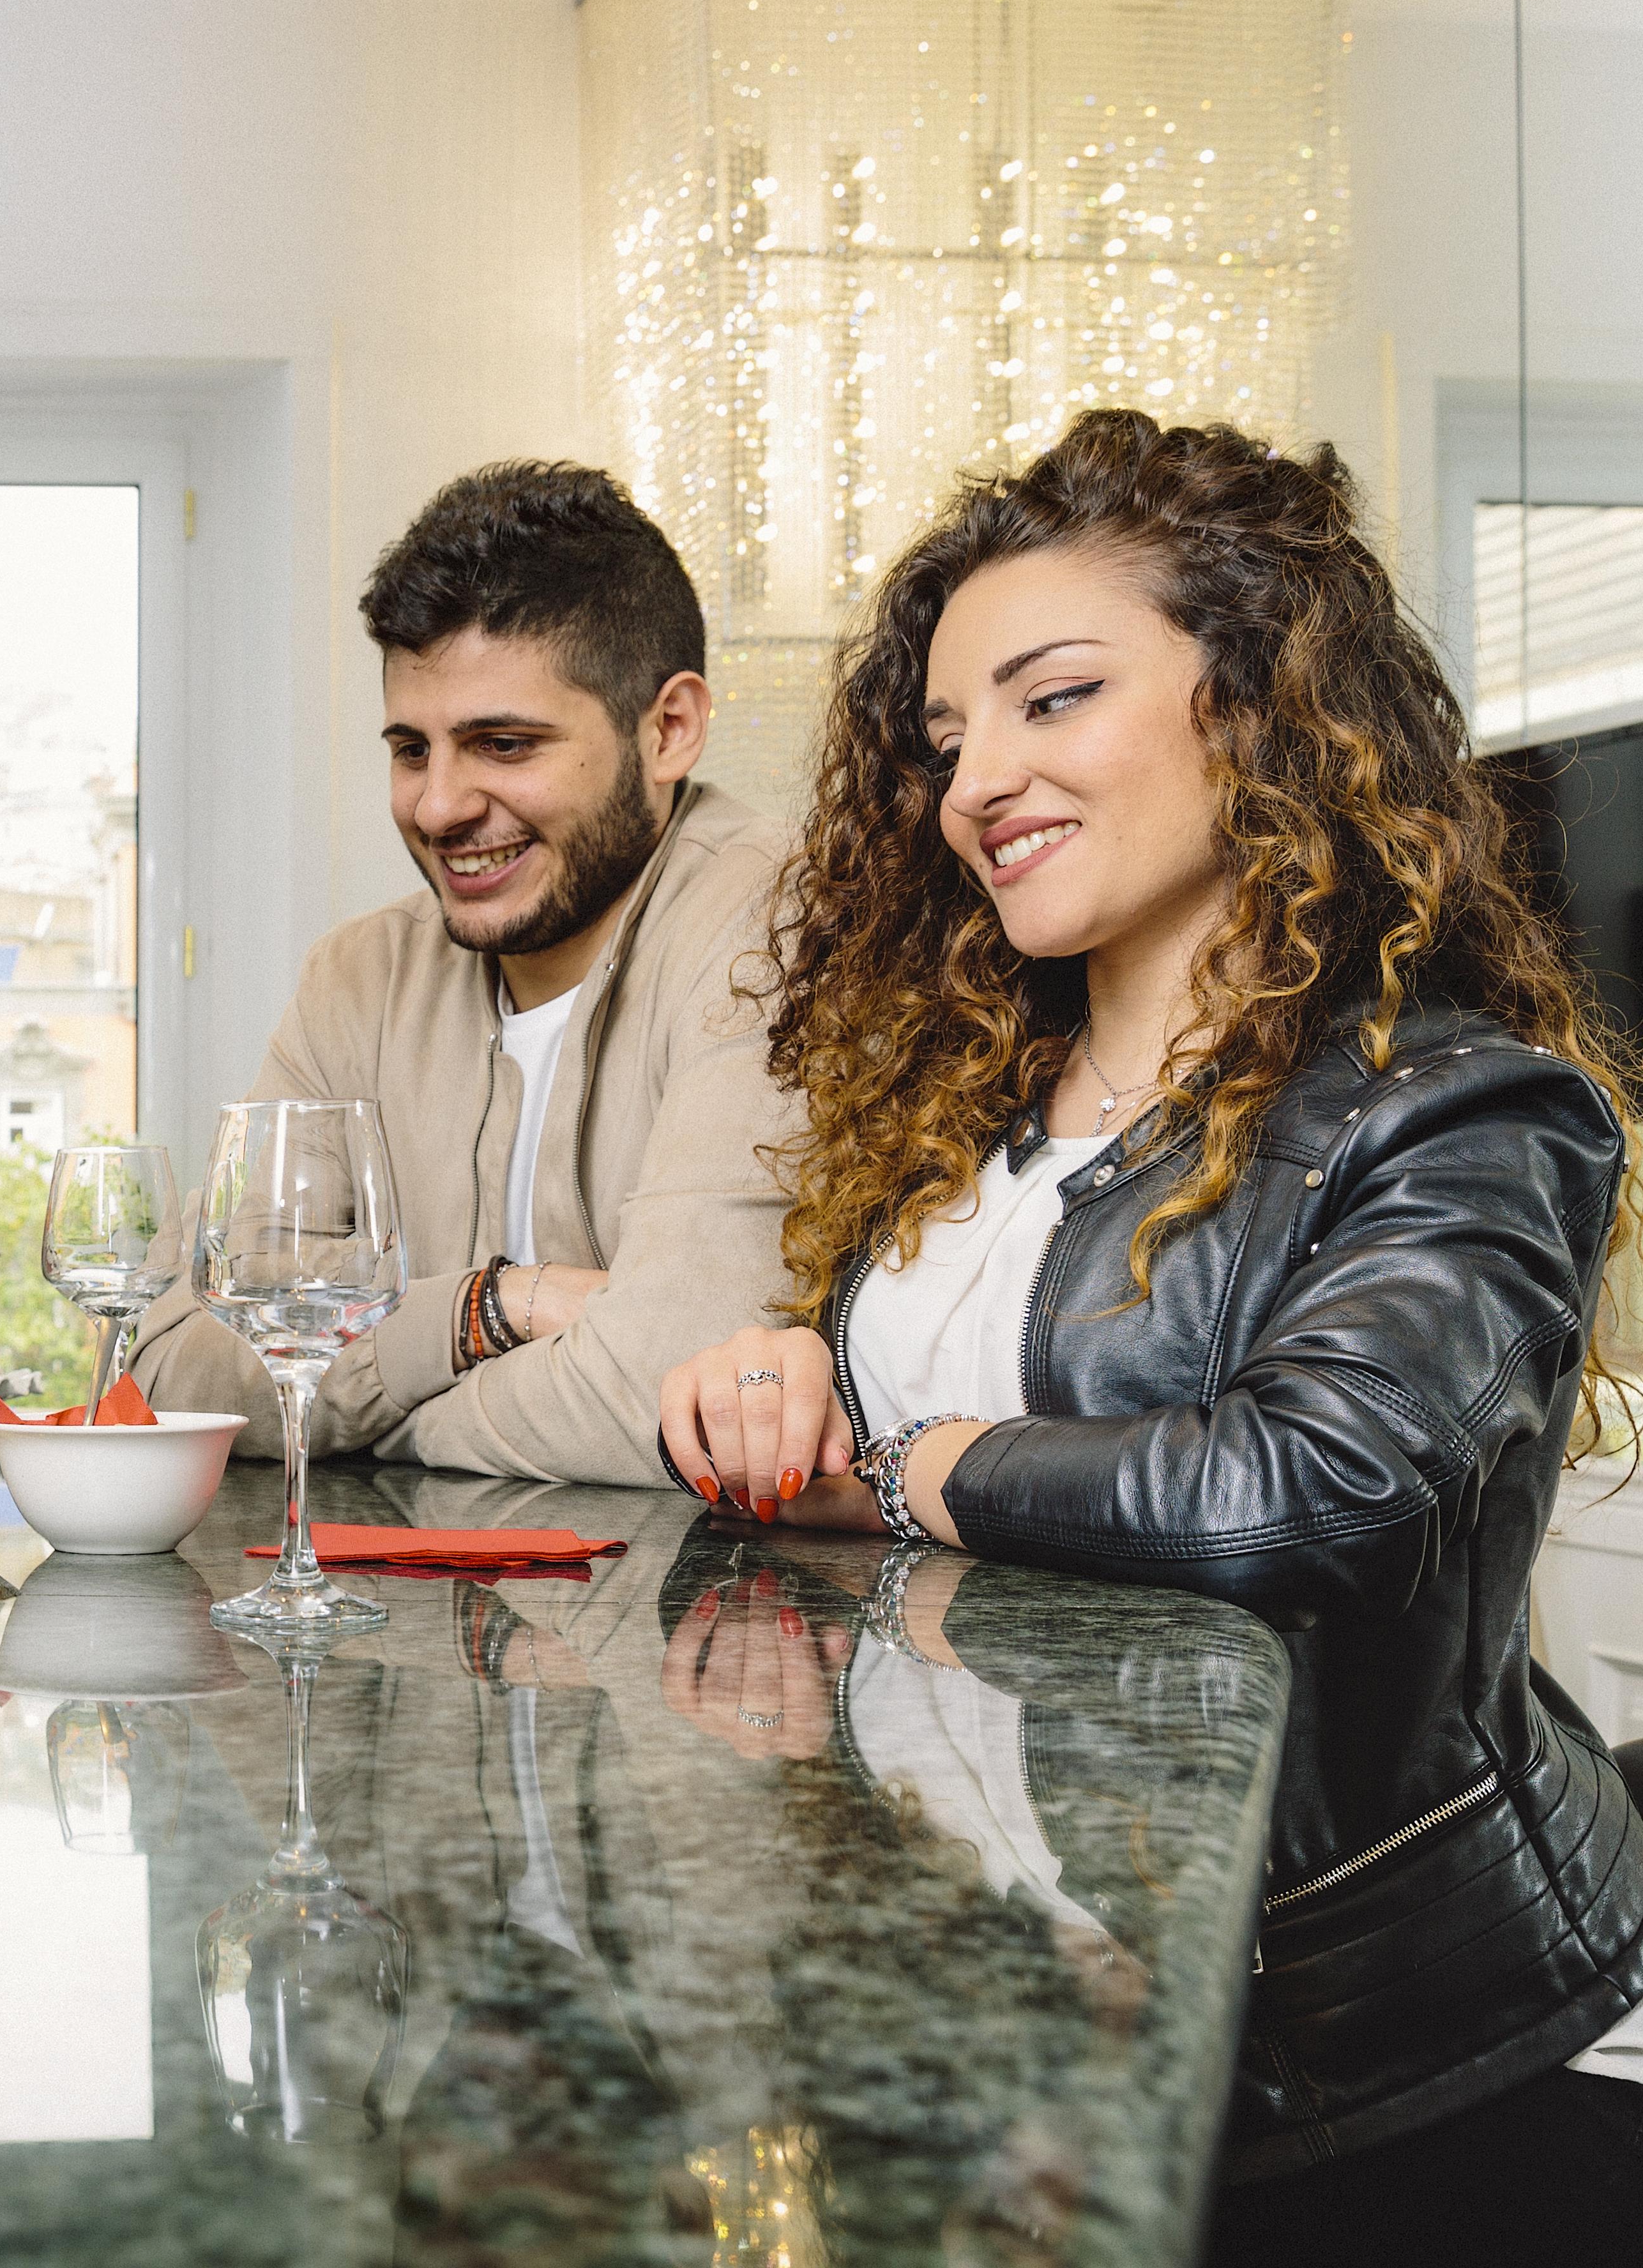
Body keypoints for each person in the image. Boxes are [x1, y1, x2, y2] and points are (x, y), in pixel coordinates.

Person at [657, 411, 1643, 2258]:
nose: (974, 784)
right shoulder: (968, 1117)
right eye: (948, 739)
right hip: (1017, 2020)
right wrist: (773, 1378)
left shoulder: (1465, 1111)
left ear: (1259, 703)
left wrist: (899, 1470)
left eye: (1052, 699)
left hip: (1381, 2060)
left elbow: (1310, 1487)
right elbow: (925, 1431)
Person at [130, 461, 794, 1484]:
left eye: (502, 743)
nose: (438, 807)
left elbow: (661, 1393)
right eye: (411, 749)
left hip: (722, 1628)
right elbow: (175, 1368)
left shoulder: (773, 921)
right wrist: (487, 1308)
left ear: (669, 730)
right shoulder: (359, 976)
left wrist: (351, 1415)